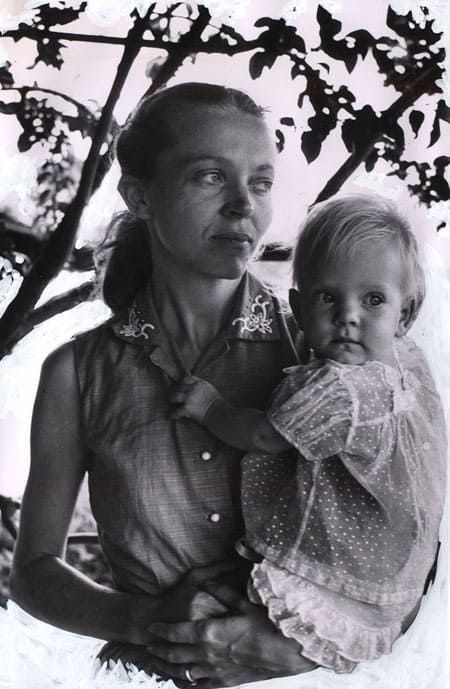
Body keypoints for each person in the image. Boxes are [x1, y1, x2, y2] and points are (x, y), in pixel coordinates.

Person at [10, 82, 318, 688]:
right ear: (140, 197)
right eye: (210, 176)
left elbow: (413, 547)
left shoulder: (316, 352)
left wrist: (297, 652)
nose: (242, 206)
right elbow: (33, 572)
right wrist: (144, 619)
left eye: (259, 182)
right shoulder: (76, 373)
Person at [170, 194, 447, 673]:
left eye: (373, 300)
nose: (348, 316)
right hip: (399, 572)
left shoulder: (340, 387)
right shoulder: (409, 364)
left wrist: (211, 407)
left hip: (347, 579)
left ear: (406, 313)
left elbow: (263, 436)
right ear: (299, 307)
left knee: (267, 611)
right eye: (328, 297)